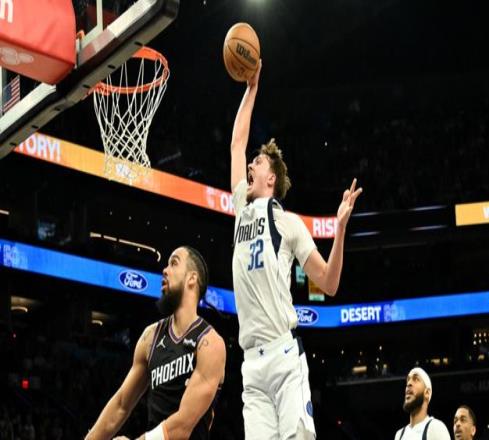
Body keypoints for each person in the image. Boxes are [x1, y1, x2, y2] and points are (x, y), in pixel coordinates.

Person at [230, 60, 362, 439]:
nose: (250, 164)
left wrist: (339, 229)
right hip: (251, 365)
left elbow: (329, 284)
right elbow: (237, 142)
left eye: (257, 162)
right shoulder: (241, 207)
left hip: (284, 356)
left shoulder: (289, 224)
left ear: (270, 178)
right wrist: (251, 89)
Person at [85, 246, 226, 440]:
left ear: (192, 278)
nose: (165, 270)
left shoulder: (210, 343)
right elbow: (121, 405)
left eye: (174, 263)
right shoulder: (150, 337)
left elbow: (182, 426)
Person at [394, 367, 451, 440]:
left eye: (416, 379)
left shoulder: (436, 427)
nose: (409, 383)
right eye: (408, 380)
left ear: (427, 393)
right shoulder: (399, 435)